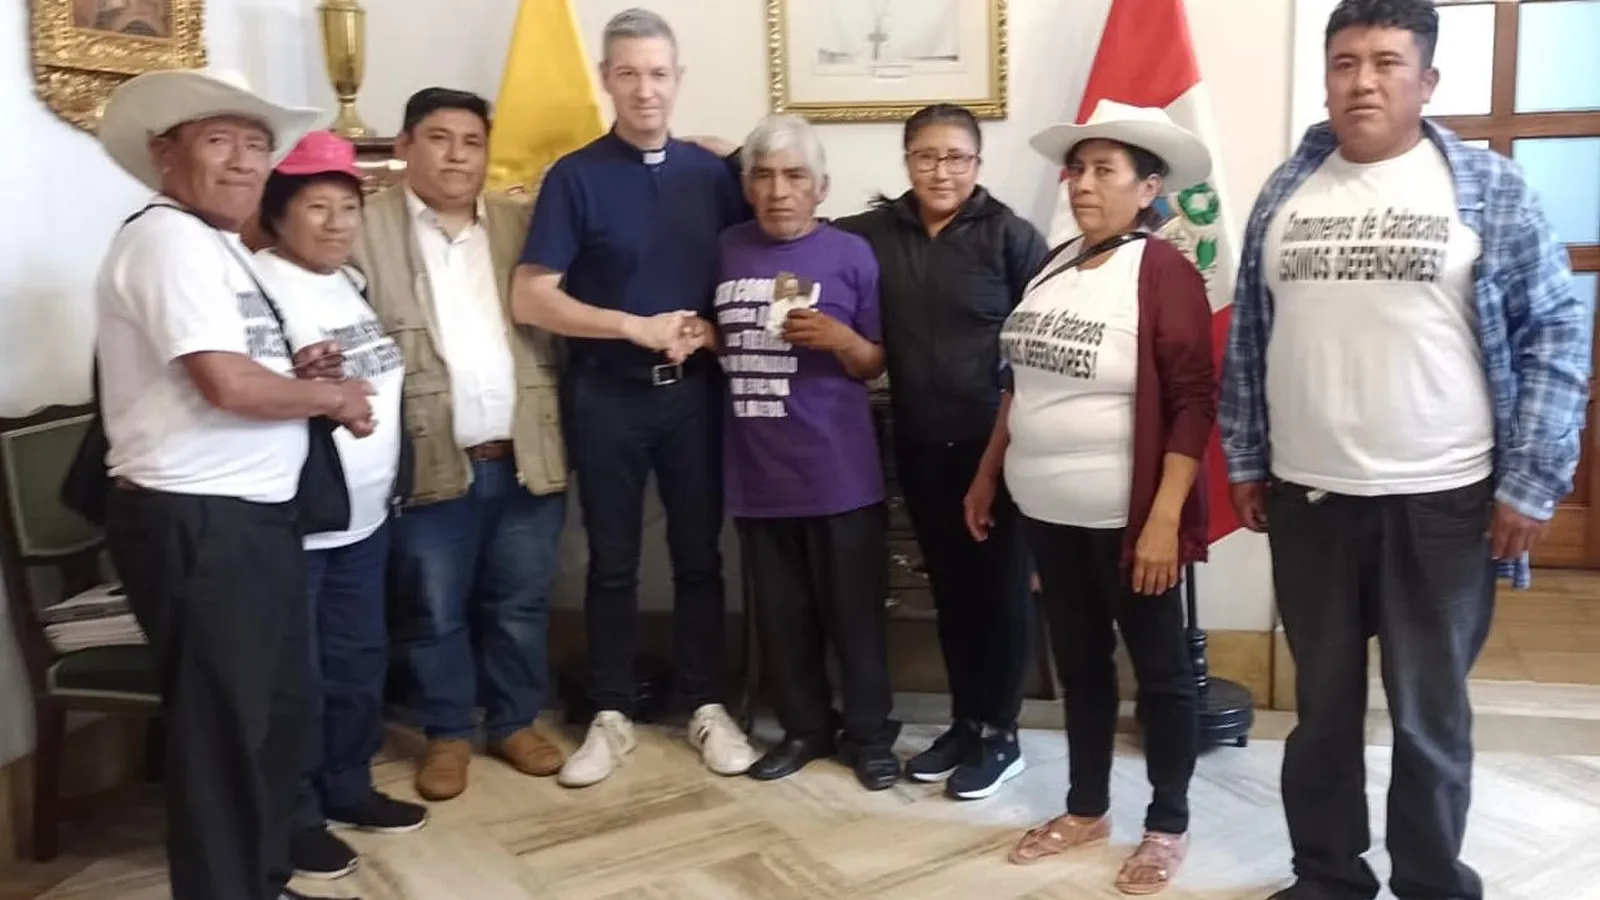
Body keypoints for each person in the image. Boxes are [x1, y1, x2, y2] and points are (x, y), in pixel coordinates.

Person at [1219, 2, 1590, 899]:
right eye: (1345, 62)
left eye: (1387, 62)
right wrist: (1247, 457)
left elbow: (1555, 331)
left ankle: (1430, 882)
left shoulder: (1486, 187)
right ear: (1326, 79)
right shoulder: (1289, 189)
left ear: (1427, 81)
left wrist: (1533, 480)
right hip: (1310, 498)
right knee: (1322, 712)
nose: (1364, 81)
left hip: (1443, 500)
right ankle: (1328, 878)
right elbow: (1253, 336)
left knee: (1428, 717)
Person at [92, 67, 371, 900]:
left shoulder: (214, 244)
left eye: (256, 145)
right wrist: (331, 397)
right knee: (222, 739)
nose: (246, 161)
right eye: (220, 141)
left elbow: (231, 369)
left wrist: (295, 373)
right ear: (164, 153)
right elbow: (223, 384)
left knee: (268, 723)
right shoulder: (168, 241)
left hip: (247, 522)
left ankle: (260, 881)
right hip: (201, 523)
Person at [967, 100, 1214, 896]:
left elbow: (1193, 402)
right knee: (1081, 667)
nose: (1082, 184)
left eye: (1105, 171)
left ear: (1148, 189)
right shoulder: (1053, 265)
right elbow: (1019, 384)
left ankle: (1167, 824)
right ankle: (1086, 808)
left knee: (1162, 675)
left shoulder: (1163, 271)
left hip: (1127, 522)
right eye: (1079, 169)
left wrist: (1164, 520)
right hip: (1049, 516)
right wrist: (988, 471)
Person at [512, 7, 757, 788]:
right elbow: (531, 297)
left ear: (677, 80)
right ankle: (611, 712)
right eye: (628, 74)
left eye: (657, 74)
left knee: (699, 558)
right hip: (606, 395)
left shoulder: (712, 176)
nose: (644, 89)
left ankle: (706, 704)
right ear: (606, 81)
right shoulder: (575, 176)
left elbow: (757, 263)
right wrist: (632, 327)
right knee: (611, 562)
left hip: (695, 396)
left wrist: (707, 332)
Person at [353, 87, 570, 803]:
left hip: (524, 452)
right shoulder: (363, 228)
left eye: (472, 142)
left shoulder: (521, 226)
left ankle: (513, 722)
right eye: (439, 139)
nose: (456, 157)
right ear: (404, 147)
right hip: (428, 457)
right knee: (433, 609)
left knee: (520, 603)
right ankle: (447, 732)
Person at [833, 105, 1047, 799]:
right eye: (926, 156)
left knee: (1001, 593)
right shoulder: (873, 235)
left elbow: (1039, 349)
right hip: (921, 444)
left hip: (998, 447)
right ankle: (965, 722)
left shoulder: (1011, 237)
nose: (941, 170)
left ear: (977, 164)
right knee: (951, 594)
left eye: (956, 157)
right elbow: (800, 225)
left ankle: (1002, 735)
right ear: (907, 161)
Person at [692, 114, 900, 790]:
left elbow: (874, 362)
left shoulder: (852, 254)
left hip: (840, 475)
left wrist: (841, 340)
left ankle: (869, 736)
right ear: (747, 186)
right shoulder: (725, 248)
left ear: (821, 188)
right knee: (782, 620)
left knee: (855, 617)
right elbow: (717, 336)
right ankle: (805, 728)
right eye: (764, 176)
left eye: (794, 176)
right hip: (757, 473)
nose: (779, 190)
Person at [253, 131, 428, 881]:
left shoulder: (348, 281)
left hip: (365, 515)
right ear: (279, 215)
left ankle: (347, 786)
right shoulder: (260, 286)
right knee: (297, 678)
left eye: (347, 207)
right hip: (299, 523)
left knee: (358, 662)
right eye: (316, 207)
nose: (335, 223)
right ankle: (294, 817)